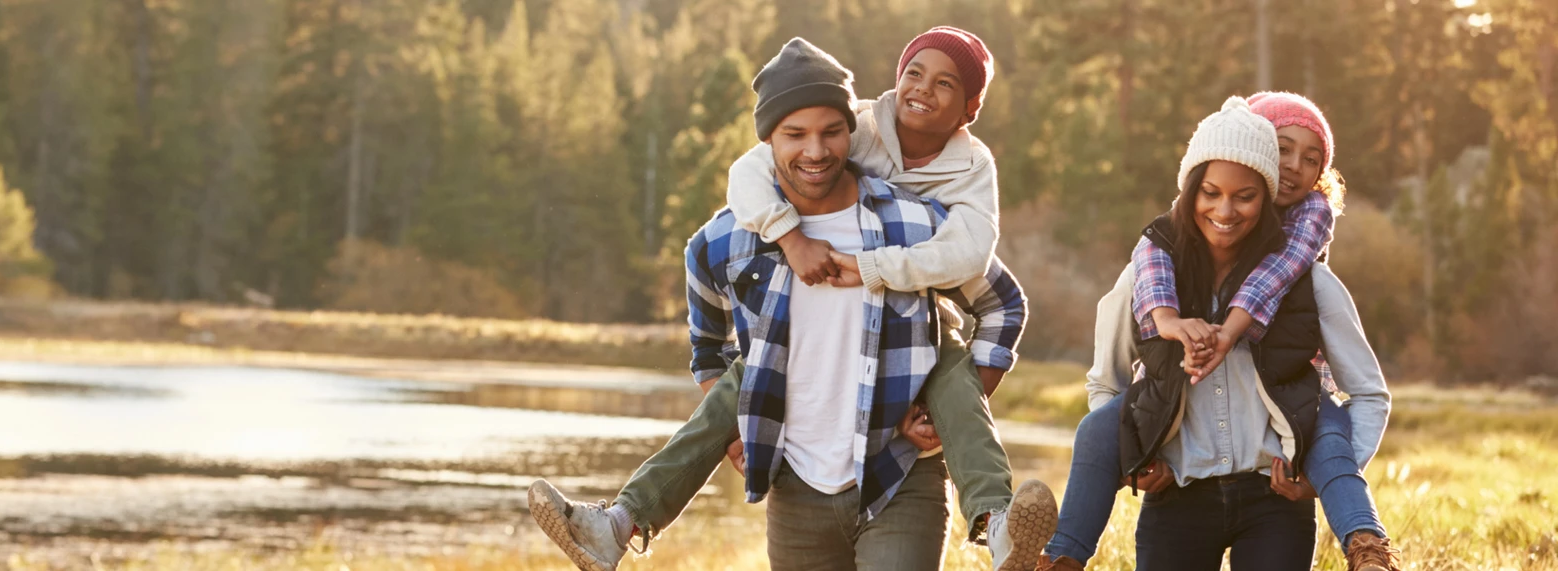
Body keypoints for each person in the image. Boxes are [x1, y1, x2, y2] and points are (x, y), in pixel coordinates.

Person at [527, 27, 1058, 571]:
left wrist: (949, 409)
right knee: (741, 379)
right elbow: (709, 351)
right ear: (767, 143)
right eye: (794, 133)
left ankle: (997, 525)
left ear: (851, 136)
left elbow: (999, 298)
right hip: (795, 481)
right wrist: (738, 434)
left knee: (948, 365)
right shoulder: (725, 240)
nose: (815, 150)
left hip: (897, 472)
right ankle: (617, 523)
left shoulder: (917, 221)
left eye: (831, 132)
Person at [1032, 97, 1392, 570]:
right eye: (1210, 193)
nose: (1226, 210)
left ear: (1265, 198)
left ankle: (1368, 549)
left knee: (1325, 428)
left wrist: (1323, 477)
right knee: (1092, 430)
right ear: (1190, 191)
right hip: (1178, 497)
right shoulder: (1148, 275)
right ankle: (1057, 561)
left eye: (1245, 196)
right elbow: (1107, 385)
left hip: (1274, 503)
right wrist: (1137, 460)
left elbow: (1368, 393)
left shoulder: (1308, 281)